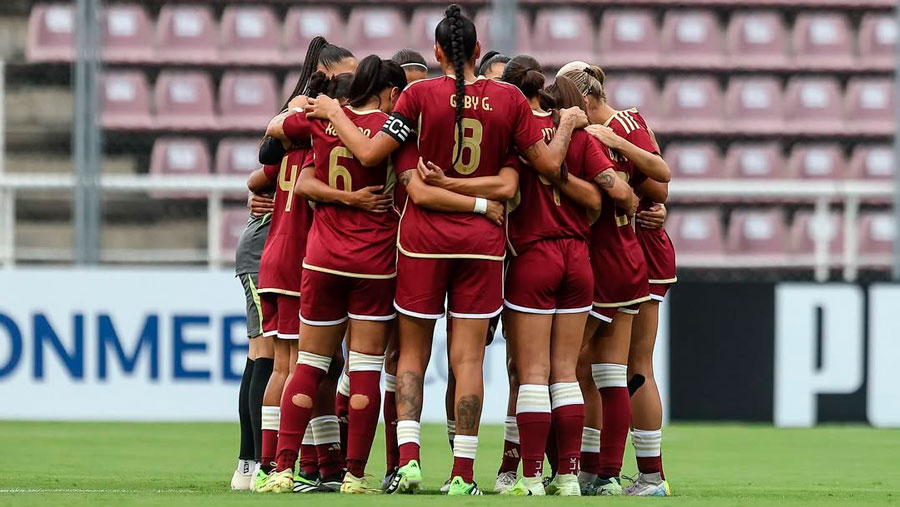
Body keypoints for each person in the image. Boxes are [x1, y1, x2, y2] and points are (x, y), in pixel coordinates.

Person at [305, 4, 587, 495]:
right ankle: (462, 474)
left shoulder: (415, 97)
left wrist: (331, 111)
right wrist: (560, 129)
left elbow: (377, 158)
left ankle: (409, 461)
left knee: (410, 352)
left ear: (436, 52)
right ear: (479, 50)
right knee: (468, 360)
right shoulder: (509, 101)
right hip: (481, 245)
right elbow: (540, 168)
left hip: (423, 242)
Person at [563, 62, 674, 497]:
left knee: (634, 364)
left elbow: (660, 187)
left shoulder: (624, 122)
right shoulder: (585, 135)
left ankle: (650, 475)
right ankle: (599, 470)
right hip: (617, 250)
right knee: (591, 367)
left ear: (588, 100)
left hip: (639, 251)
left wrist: (614, 141)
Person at [230, 192, 275, 491]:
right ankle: (259, 463)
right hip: (262, 255)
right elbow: (258, 177)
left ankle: (247, 464)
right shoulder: (287, 150)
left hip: (263, 252)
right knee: (266, 355)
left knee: (257, 355)